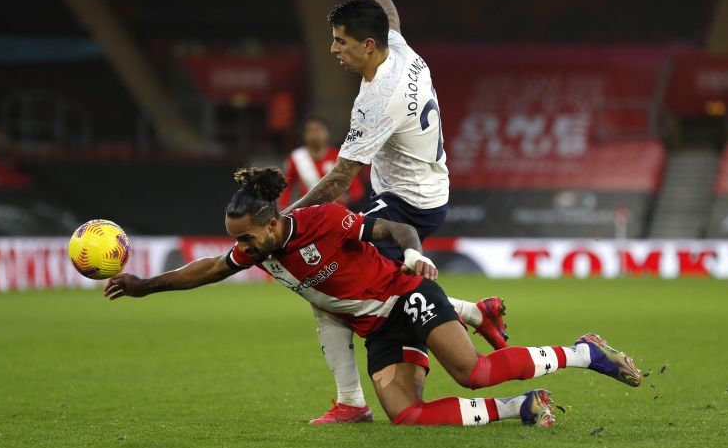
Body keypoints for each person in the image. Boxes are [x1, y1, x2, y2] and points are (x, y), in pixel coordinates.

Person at [104, 167, 643, 427]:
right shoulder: (258, 251)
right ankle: (522, 407)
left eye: (246, 235)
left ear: (272, 223)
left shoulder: (325, 220)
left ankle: (585, 352)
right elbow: (207, 269)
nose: (239, 247)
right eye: (236, 238)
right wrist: (143, 286)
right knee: (405, 416)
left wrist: (412, 256)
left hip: (406, 295)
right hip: (377, 327)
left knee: (471, 372)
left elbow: (393, 230)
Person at [283, 0, 508, 424]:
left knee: (331, 281)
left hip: (407, 202)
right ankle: (469, 316)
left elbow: (341, 178)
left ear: (367, 45)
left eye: (340, 40)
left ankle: (355, 400)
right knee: (336, 284)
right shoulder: (399, 50)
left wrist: (285, 221)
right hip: (424, 188)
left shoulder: (377, 100)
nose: (333, 49)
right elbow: (393, 20)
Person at [277, 115, 365, 211]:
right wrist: (284, 212)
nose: (315, 134)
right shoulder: (296, 158)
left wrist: (346, 198)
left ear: (327, 133)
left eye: (318, 130)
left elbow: (357, 189)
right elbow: (285, 189)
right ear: (304, 135)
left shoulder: (340, 157)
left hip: (338, 215)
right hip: (308, 214)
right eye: (310, 131)